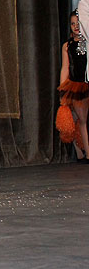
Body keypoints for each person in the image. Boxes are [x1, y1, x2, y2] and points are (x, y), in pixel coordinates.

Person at [56, 10, 89, 161]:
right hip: (76, 86)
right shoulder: (67, 46)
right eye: (72, 24)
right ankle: (87, 153)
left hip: (86, 82)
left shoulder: (87, 42)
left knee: (80, 119)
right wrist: (63, 88)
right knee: (81, 119)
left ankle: (80, 152)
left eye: (78, 23)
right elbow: (65, 68)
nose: (76, 26)